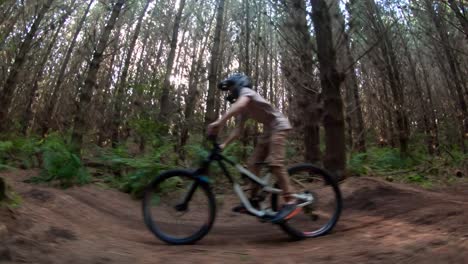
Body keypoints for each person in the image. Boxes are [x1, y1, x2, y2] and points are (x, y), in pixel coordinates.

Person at [206, 73, 300, 223]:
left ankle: (291, 201)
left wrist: (220, 121)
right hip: (270, 130)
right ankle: (254, 199)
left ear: (239, 85)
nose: (230, 93)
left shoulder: (247, 93)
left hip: (279, 126)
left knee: (275, 164)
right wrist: (224, 144)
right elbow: (238, 131)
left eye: (231, 89)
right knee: (253, 163)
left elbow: (240, 104)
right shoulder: (244, 109)